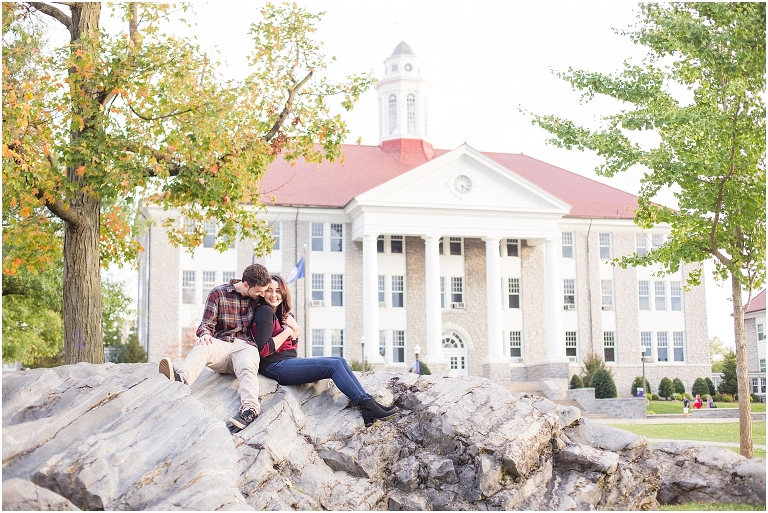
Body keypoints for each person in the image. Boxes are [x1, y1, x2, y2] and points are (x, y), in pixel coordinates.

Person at [252, 274, 397, 426]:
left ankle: (369, 403)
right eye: (269, 290)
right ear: (263, 292)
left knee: (339, 360)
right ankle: (367, 405)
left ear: (284, 292)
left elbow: (292, 350)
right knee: (333, 366)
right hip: (274, 367)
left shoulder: (284, 315)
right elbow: (264, 349)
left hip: (286, 362)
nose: (274, 295)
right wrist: (289, 331)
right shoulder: (264, 311)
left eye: (278, 291)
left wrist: (295, 329)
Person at [159, 263, 271, 433]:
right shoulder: (218, 293)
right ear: (246, 284)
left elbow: (279, 302)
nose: (262, 294)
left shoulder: (258, 298)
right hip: (221, 346)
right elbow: (206, 323)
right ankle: (179, 381)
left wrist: (292, 326)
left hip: (244, 347)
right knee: (204, 345)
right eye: (258, 291)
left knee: (248, 364)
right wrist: (204, 334)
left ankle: (250, 409)